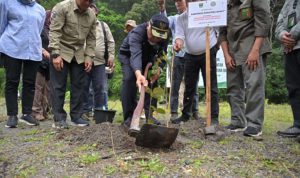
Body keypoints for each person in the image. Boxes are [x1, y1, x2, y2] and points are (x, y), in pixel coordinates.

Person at [219, 0, 271, 137]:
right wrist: (226, 55)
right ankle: (238, 121)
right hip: (232, 48)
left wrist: (255, 50)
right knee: (233, 86)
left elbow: (264, 22)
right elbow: (222, 31)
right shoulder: (225, 3)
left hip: (252, 45)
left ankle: (254, 124)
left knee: (254, 84)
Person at [49, 0, 96, 129]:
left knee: (79, 86)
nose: (88, 3)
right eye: (86, 0)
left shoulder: (91, 14)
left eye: (91, 1)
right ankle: (58, 119)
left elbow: (92, 38)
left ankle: (76, 116)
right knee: (58, 86)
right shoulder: (62, 7)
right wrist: (55, 54)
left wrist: (89, 56)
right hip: (62, 50)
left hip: (79, 53)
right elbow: (54, 31)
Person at [171, 0, 219, 125]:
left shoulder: (209, 12)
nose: (192, 2)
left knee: (211, 85)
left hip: (208, 51)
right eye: (189, 0)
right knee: (189, 85)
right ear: (186, 3)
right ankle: (186, 114)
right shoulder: (182, 18)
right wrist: (178, 43)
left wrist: (216, 46)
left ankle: (213, 117)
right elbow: (179, 35)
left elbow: (219, 29)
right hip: (190, 55)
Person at [0, 0, 45, 128]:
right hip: (12, 47)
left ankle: (26, 114)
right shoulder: (6, 3)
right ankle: (12, 115)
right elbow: (1, 25)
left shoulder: (40, 9)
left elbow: (39, 29)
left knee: (30, 82)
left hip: (33, 49)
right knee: (12, 81)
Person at [119, 14, 170, 128]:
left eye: (160, 37)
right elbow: (135, 55)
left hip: (149, 58)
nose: (157, 39)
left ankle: (150, 115)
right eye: (154, 35)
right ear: (149, 26)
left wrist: (159, 69)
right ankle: (129, 117)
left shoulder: (165, 34)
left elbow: (163, 53)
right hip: (129, 55)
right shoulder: (137, 33)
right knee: (129, 79)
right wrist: (138, 74)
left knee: (152, 82)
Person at [158, 0, 200, 120]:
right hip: (178, 56)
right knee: (175, 85)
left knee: (193, 84)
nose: (178, 7)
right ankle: (174, 112)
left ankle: (194, 110)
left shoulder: (194, 16)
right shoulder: (175, 18)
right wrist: (162, 9)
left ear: (186, 3)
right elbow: (164, 22)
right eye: (176, 5)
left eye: (180, 4)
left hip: (192, 54)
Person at [82, 3, 115, 118]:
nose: (90, 10)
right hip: (83, 61)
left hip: (100, 62)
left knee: (100, 87)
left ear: (96, 11)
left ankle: (99, 112)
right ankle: (85, 111)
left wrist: (111, 56)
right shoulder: (81, 23)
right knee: (84, 86)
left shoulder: (103, 25)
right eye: (88, 8)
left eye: (93, 9)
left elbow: (110, 41)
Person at [276, 0, 300, 138]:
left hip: (294, 43)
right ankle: (297, 125)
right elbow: (279, 23)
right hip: (290, 49)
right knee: (293, 87)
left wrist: (292, 35)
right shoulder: (288, 2)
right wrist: (282, 36)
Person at [32, 10, 52, 121]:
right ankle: (36, 111)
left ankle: (44, 110)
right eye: (51, 16)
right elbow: (35, 40)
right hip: (39, 60)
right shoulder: (39, 28)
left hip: (49, 62)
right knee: (38, 87)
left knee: (47, 88)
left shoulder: (52, 29)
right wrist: (42, 50)